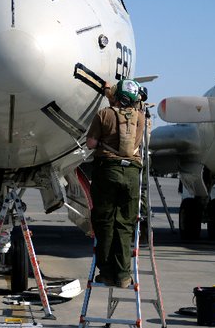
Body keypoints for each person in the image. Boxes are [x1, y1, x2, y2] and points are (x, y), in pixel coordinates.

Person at [85, 79, 146, 288]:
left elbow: (91, 143)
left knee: (104, 222)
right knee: (125, 223)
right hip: (131, 174)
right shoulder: (141, 117)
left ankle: (107, 272)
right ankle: (123, 275)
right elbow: (128, 109)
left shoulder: (104, 114)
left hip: (107, 171)